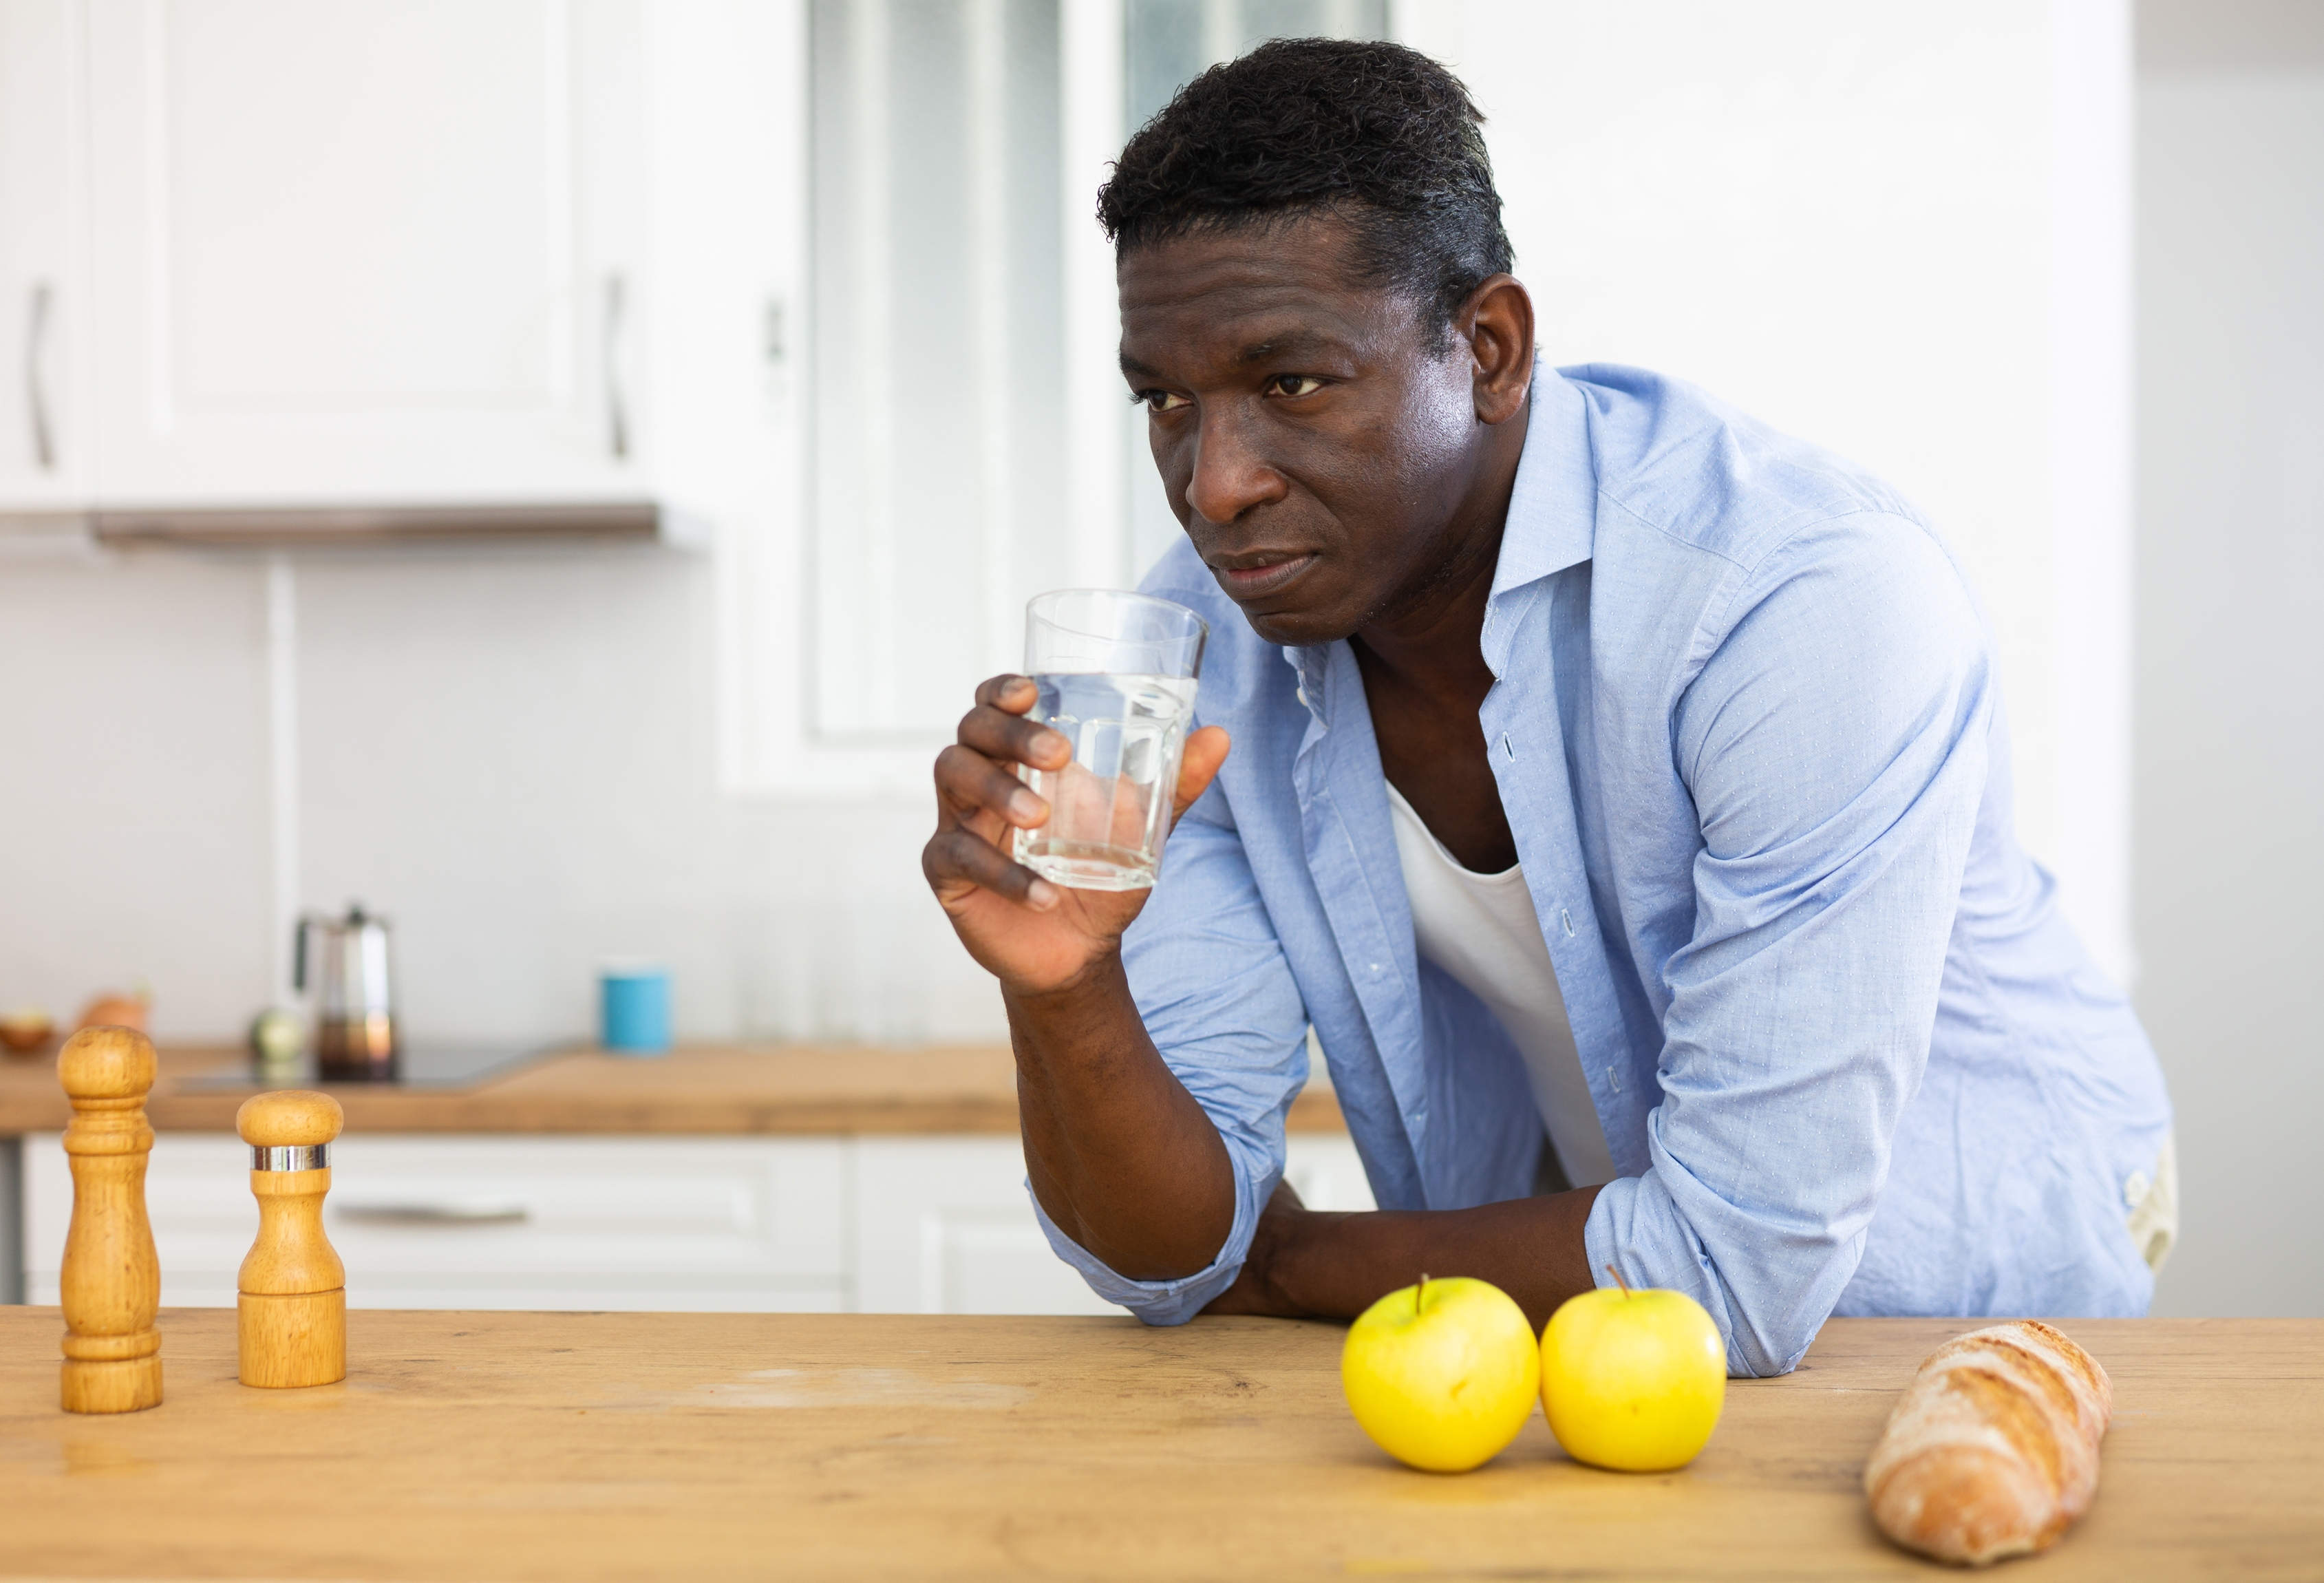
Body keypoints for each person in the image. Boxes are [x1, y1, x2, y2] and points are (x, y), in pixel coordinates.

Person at [921, 39, 2175, 1376]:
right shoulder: (1206, 651)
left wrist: (1284, 1259)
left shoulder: (1797, 602)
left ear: (1490, 351)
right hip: (1602, 1321)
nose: (1213, 480)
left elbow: (1734, 1271)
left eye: (1292, 382)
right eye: (1166, 400)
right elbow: (1170, 1255)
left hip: (1964, 1292)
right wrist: (1068, 988)